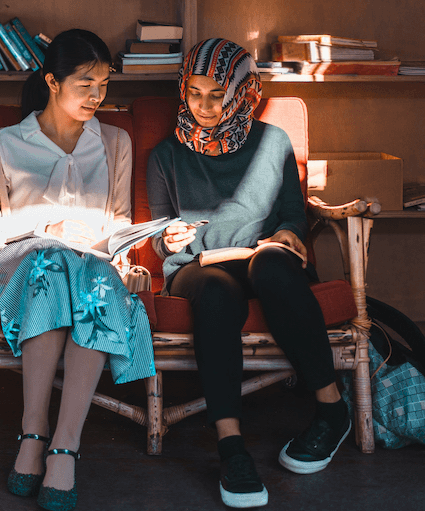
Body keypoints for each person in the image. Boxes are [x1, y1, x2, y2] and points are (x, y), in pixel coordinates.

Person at [147, 38, 351, 508]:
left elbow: (290, 215)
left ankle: (331, 410)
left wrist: (287, 235)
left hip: (260, 256)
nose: (202, 106)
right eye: (193, 93)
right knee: (215, 294)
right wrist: (168, 240)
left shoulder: (272, 142)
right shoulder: (165, 156)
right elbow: (159, 234)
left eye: (216, 94)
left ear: (242, 91)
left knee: (273, 268)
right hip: (198, 267)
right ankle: (231, 447)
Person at [0, 29, 155, 511]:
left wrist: (104, 244)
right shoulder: (6, 142)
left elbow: (119, 225)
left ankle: (63, 446)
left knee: (90, 272)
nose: (98, 96)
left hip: (92, 264)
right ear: (52, 81)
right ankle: (33, 433)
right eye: (85, 84)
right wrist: (46, 222)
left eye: (104, 84)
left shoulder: (116, 141)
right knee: (50, 260)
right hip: (24, 262)